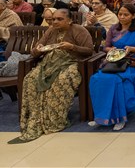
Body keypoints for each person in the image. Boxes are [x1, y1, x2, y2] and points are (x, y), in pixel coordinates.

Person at [10, 8, 94, 143]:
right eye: (53, 19)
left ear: (69, 20)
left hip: (72, 62)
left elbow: (89, 51)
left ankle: (55, 120)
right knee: (30, 79)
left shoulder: (79, 30)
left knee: (61, 80)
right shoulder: (51, 30)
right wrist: (38, 50)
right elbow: (35, 51)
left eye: (59, 19)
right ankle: (36, 118)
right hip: (49, 63)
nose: (55, 22)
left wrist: (72, 47)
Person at [89, 4, 135, 131]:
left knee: (116, 80)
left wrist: (132, 49)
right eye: (120, 14)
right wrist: (111, 49)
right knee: (97, 79)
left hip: (132, 62)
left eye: (126, 15)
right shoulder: (114, 28)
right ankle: (102, 117)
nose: (122, 17)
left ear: (133, 16)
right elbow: (106, 47)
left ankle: (120, 118)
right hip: (114, 62)